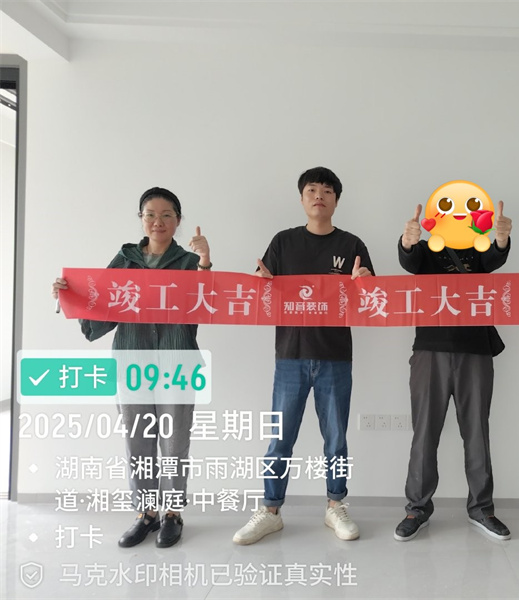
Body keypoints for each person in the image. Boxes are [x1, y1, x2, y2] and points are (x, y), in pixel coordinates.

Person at [52, 187, 211, 548]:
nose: (158, 222)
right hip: (132, 362)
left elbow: (206, 304)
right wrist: (68, 295)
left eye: (167, 215)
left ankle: (172, 514)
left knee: (174, 443)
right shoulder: (124, 260)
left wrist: (204, 261)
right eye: (150, 214)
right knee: (138, 442)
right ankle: (146, 513)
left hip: (177, 363)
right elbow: (100, 304)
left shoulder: (188, 262)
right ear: (141, 219)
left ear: (178, 220)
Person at [232, 166, 373, 545]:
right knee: (280, 439)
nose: (319, 196)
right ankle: (270, 511)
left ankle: (336, 506)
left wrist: (364, 284)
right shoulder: (283, 242)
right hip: (290, 356)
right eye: (311, 190)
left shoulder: (351, 245)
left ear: (336, 200)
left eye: (327, 190)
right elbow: (261, 291)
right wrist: (260, 284)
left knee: (336, 439)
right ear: (301, 198)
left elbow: (371, 299)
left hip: (335, 356)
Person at [394, 198, 513, 542]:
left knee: (476, 431)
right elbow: (409, 259)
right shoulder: (425, 251)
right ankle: (417, 508)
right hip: (430, 351)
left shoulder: (478, 250)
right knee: (425, 432)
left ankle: (482, 508)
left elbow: (495, 257)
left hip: (475, 351)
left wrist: (501, 239)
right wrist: (407, 241)